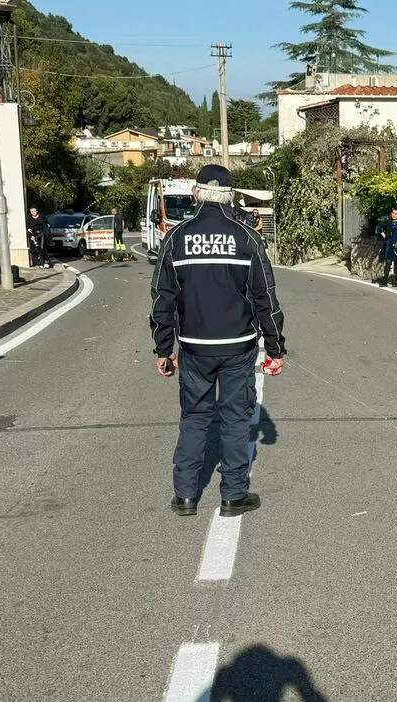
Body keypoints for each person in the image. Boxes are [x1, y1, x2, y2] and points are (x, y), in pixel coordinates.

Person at [150, 164, 286, 518]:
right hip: (238, 344)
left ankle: (185, 496)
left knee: (194, 418)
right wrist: (275, 349)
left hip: (194, 345)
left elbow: (162, 298)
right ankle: (233, 496)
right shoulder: (247, 238)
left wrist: (164, 349)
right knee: (236, 418)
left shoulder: (176, 238)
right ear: (231, 196)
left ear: (196, 194)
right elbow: (265, 298)